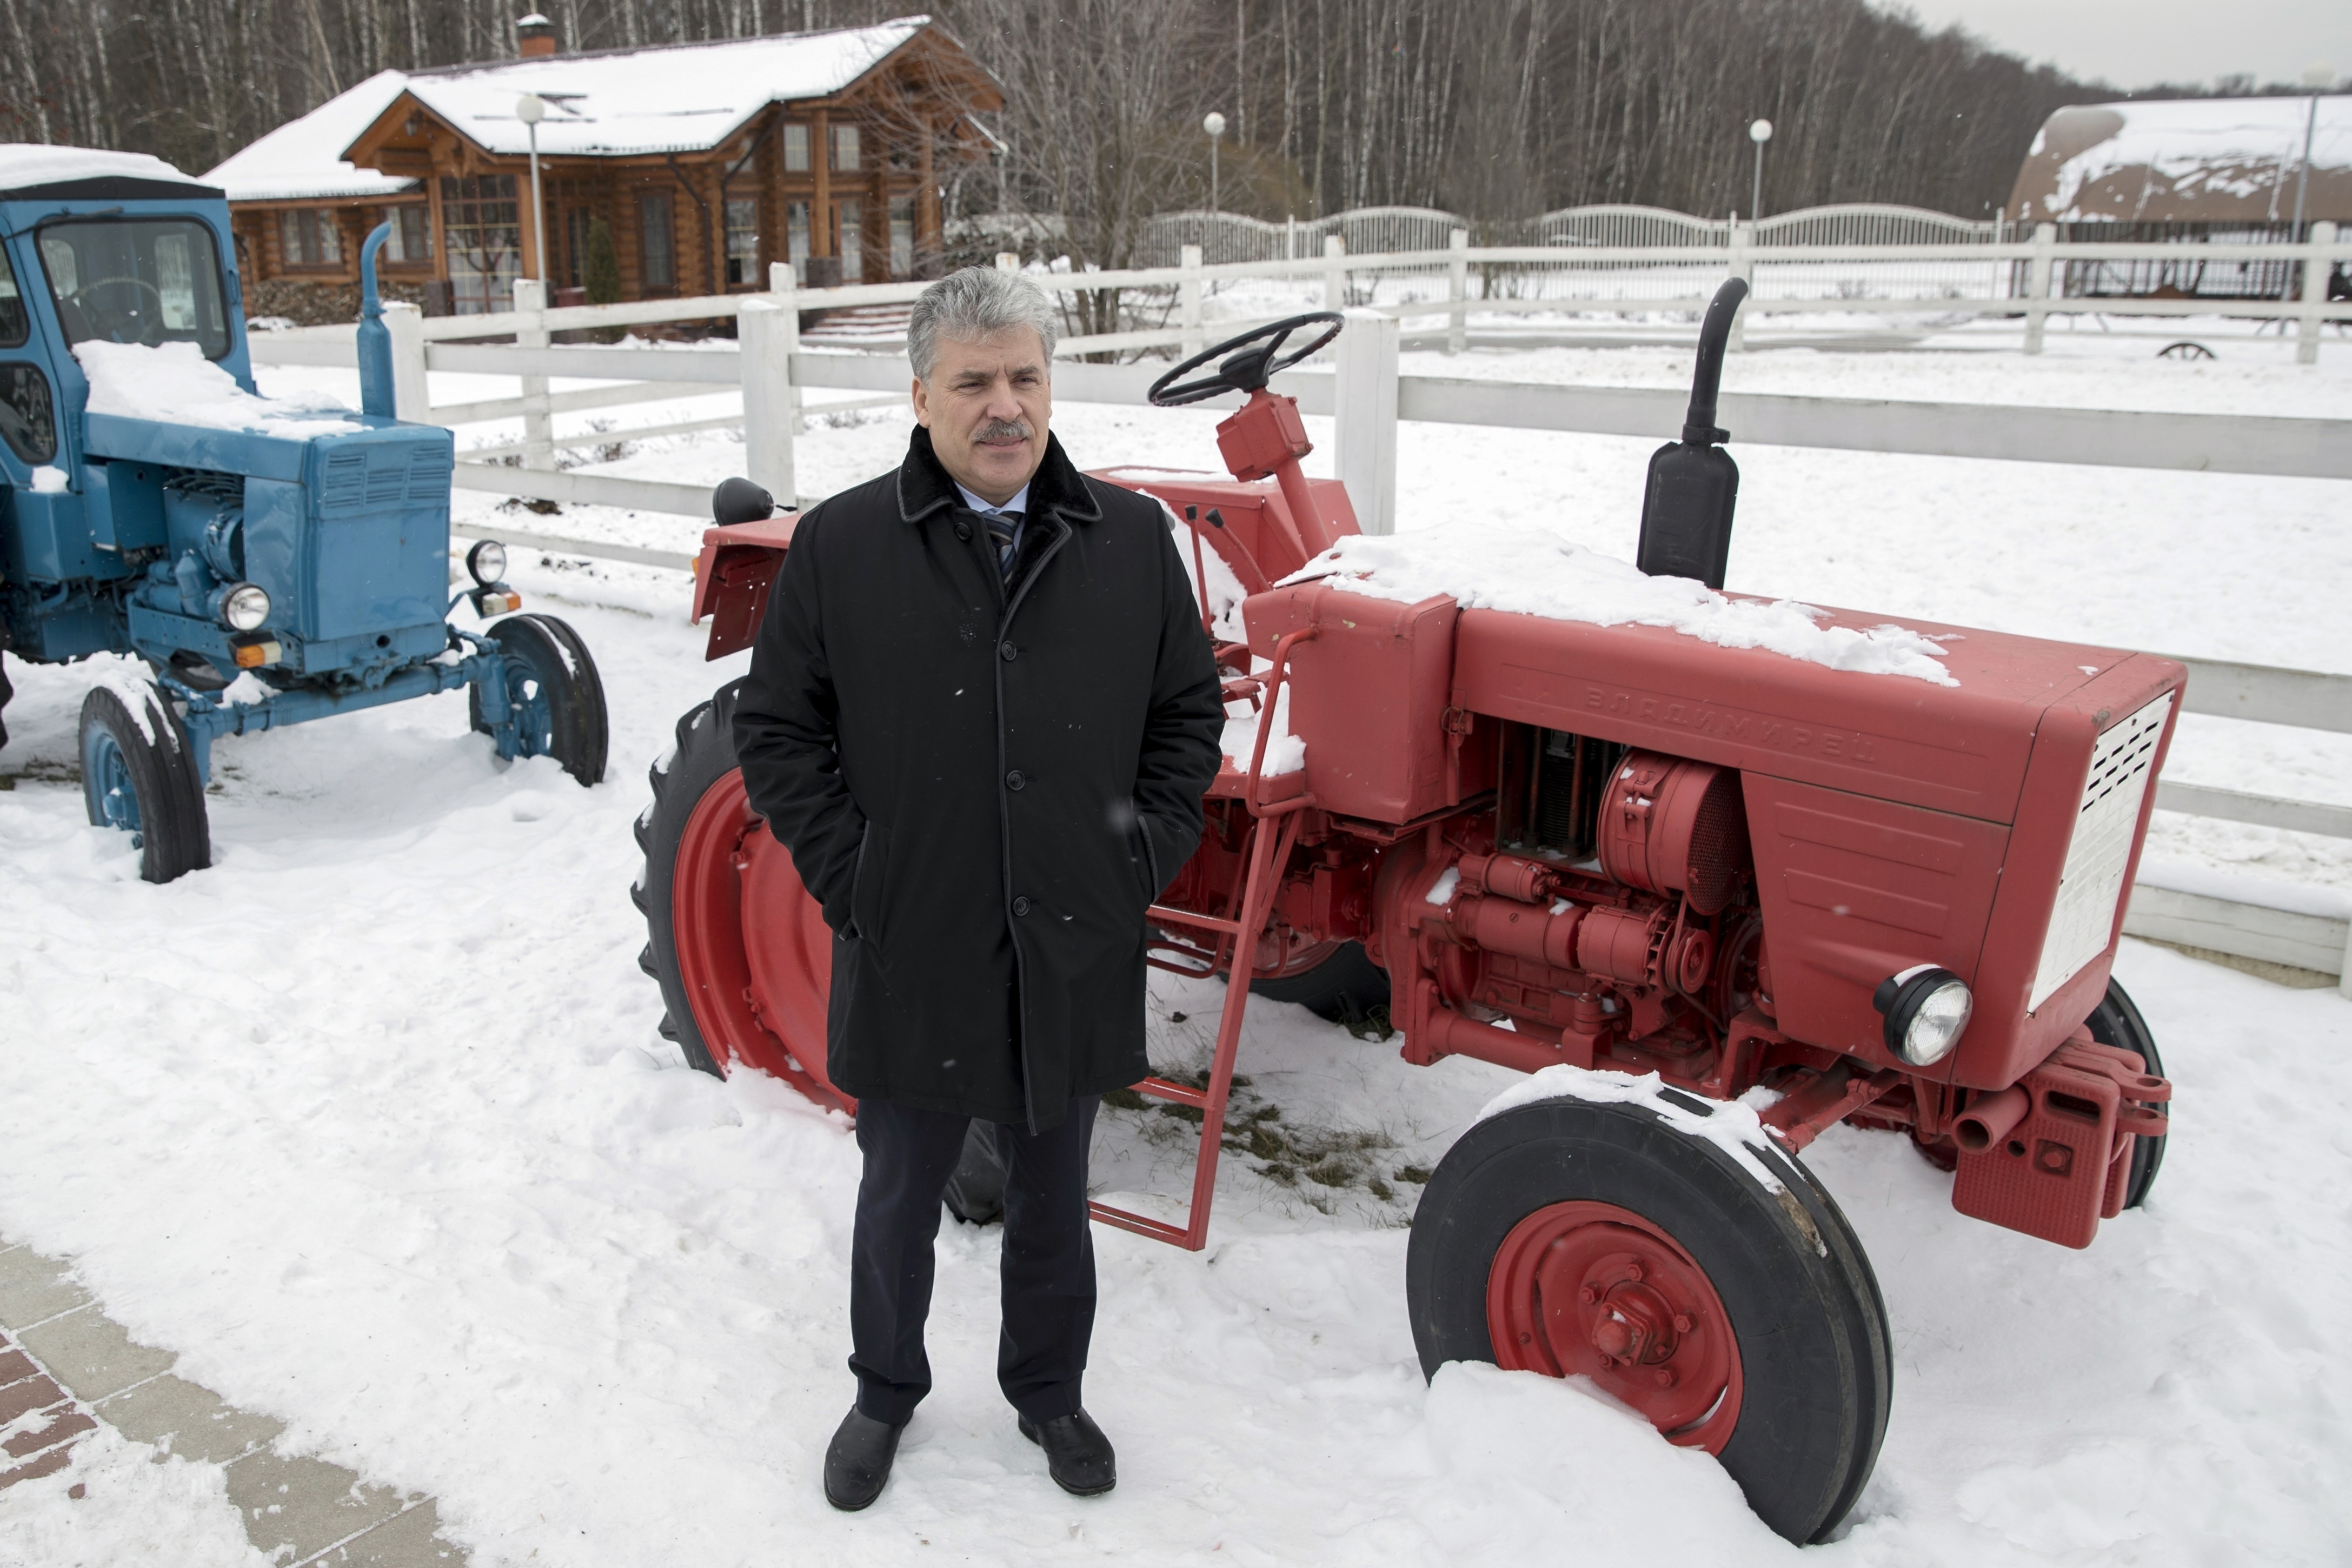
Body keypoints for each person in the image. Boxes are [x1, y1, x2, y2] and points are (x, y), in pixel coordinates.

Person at [731, 265, 1225, 1510]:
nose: (1004, 406)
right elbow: (778, 732)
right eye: (973, 382)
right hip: (913, 937)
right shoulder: (844, 546)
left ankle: (1049, 1392)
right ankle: (882, 1390)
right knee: (900, 1193)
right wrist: (861, 879)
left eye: (1024, 378)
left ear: (1050, 385)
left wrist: (1134, 860)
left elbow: (1186, 716)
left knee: (1057, 1196)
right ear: (921, 396)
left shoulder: (1129, 540)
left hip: (1073, 933)